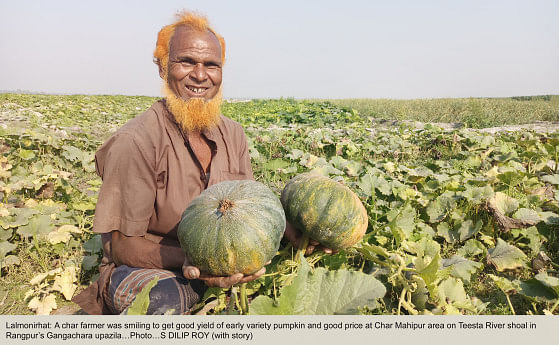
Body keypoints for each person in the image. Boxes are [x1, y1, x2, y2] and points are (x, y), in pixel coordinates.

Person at [73, 11, 328, 315]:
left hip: (220, 259)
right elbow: (122, 247)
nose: (199, 75)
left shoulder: (233, 133)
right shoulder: (136, 141)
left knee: (300, 282)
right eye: (186, 62)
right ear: (162, 67)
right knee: (163, 302)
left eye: (211, 65)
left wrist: (295, 235)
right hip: (155, 263)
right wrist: (196, 261)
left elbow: (253, 209)